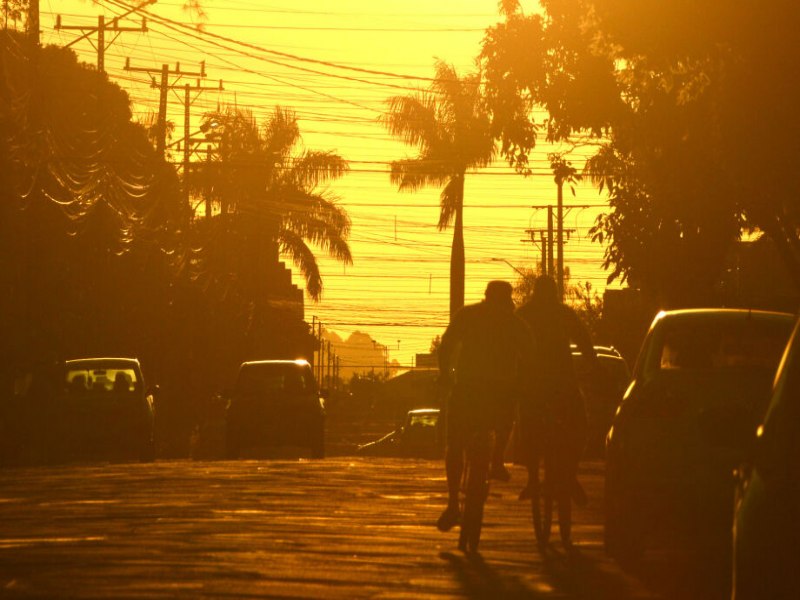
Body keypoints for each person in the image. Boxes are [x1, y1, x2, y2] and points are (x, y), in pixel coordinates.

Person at [436, 280, 532, 532]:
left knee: (455, 443)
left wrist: (445, 374)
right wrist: (523, 384)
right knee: (503, 419)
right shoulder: (515, 324)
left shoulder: (468, 316)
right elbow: (531, 358)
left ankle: (453, 501)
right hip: (497, 393)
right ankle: (497, 459)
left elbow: (446, 346)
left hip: (468, 390)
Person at [516, 275, 598, 548]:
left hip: (536, 386)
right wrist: (592, 367)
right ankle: (568, 473)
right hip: (562, 384)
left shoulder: (524, 314)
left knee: (526, 424)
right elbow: (586, 345)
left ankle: (531, 478)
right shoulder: (564, 314)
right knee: (579, 426)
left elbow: (509, 348)